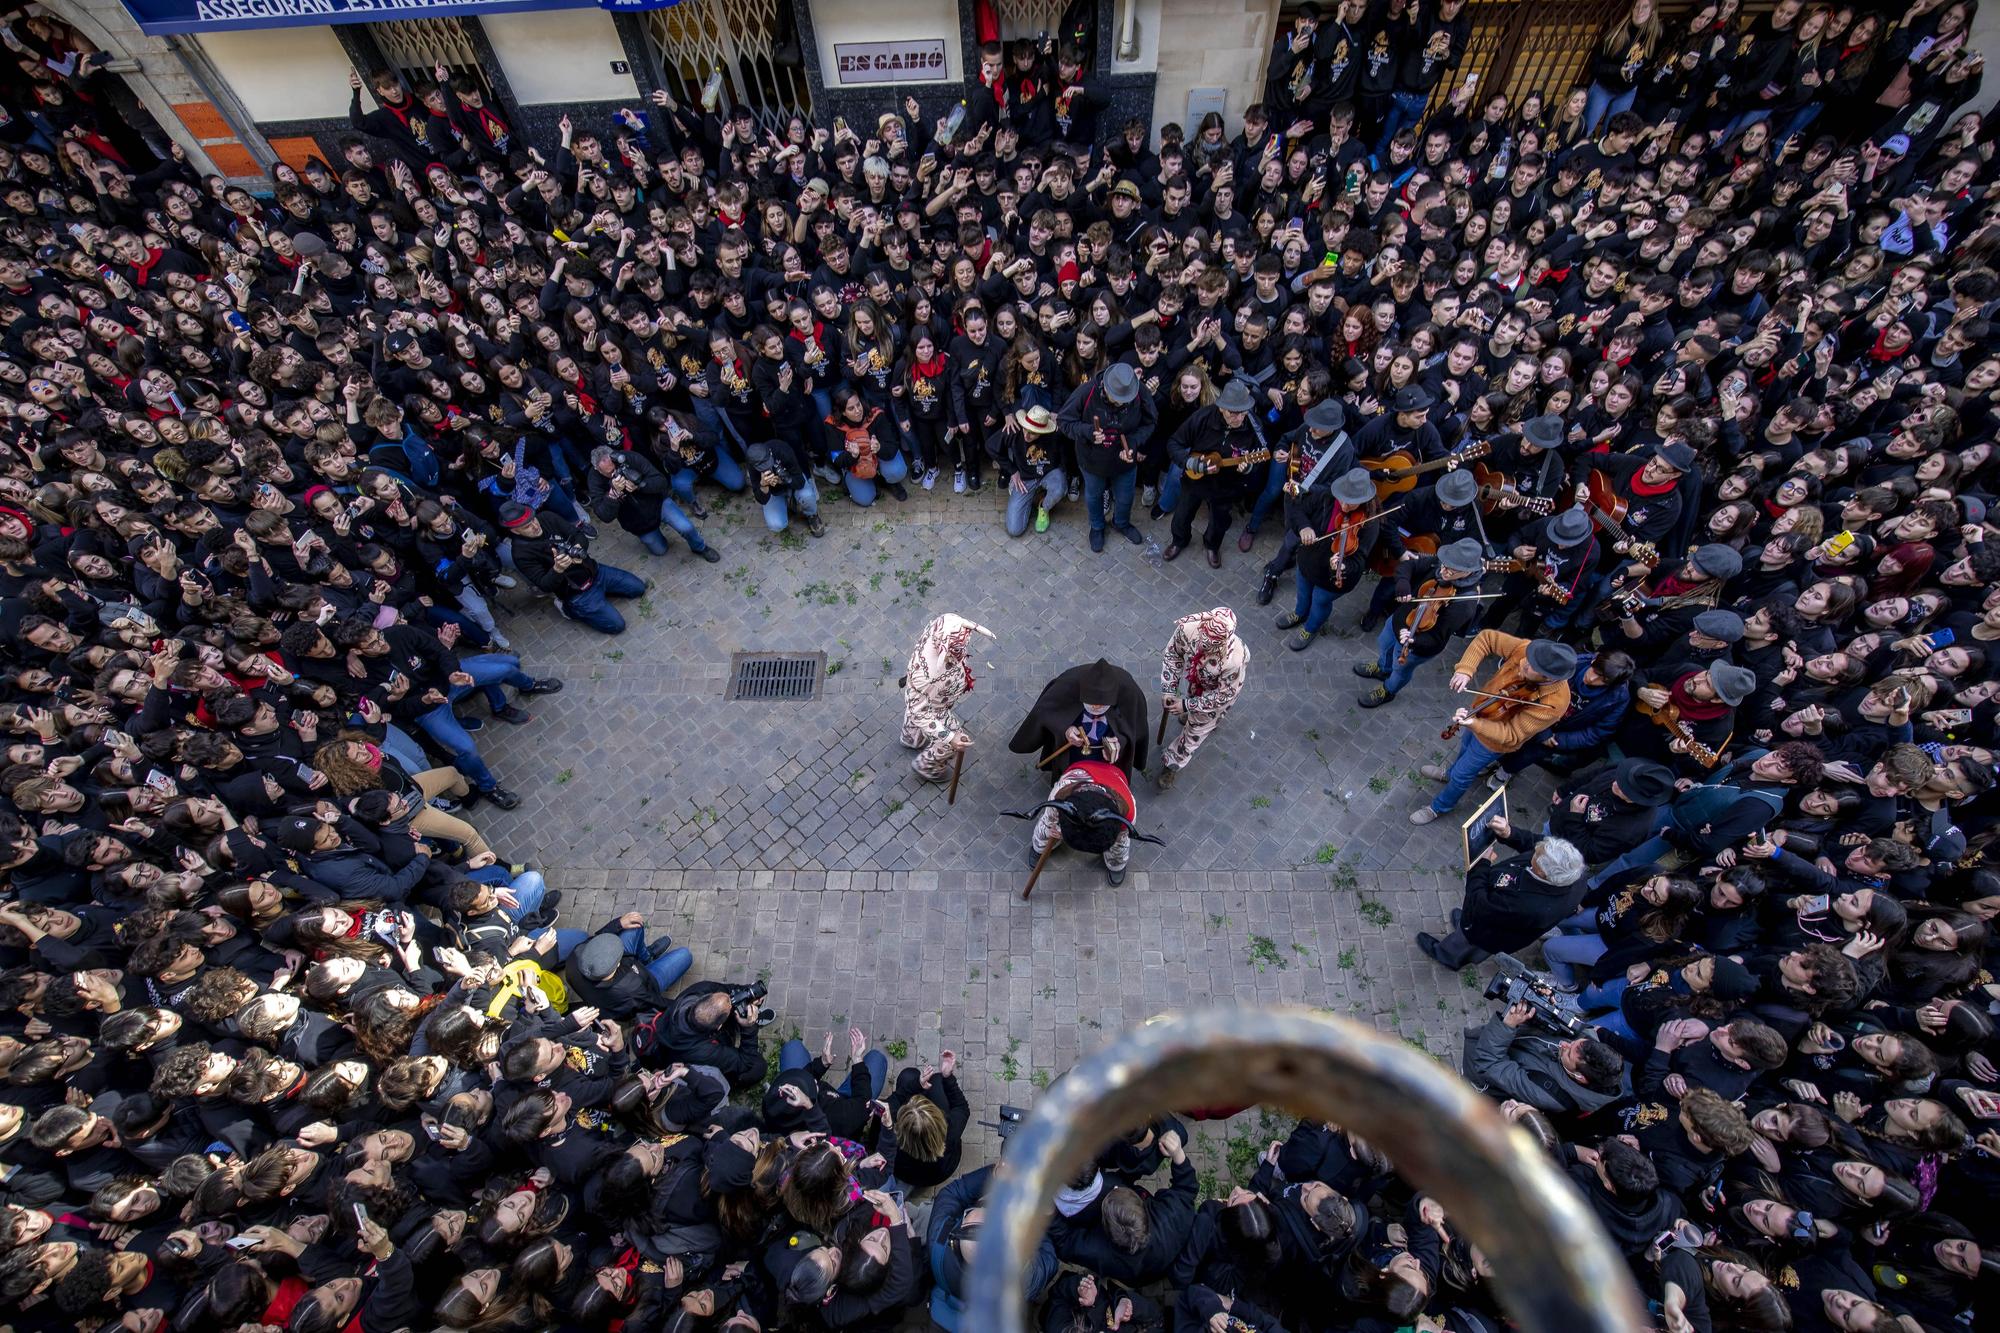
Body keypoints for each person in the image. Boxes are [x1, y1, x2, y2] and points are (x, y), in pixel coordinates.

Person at [1411, 634, 1576, 823]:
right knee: (1464, 748)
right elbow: (1486, 638)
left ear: (1547, 677)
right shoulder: (1529, 652)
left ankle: (1439, 807)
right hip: (1480, 711)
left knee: (1462, 775)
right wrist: (1465, 669)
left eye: (1530, 667)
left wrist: (1475, 724)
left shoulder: (1554, 703)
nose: (1523, 662)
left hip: (1493, 742)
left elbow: (1512, 734)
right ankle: (1447, 774)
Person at [1416, 835, 1588, 969]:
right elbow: (1535, 843)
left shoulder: (1526, 905)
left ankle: (1448, 956)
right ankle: (1464, 926)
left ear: (1543, 873)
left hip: (1488, 930)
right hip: (1501, 922)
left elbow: (1479, 903)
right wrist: (1509, 833)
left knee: (1469, 941)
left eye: (1535, 855)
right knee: (1472, 934)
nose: (1533, 851)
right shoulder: (1574, 876)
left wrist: (1482, 864)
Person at [1355, 537, 1489, 707]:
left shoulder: (1465, 604)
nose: (1445, 571)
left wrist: (1414, 641)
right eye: (1445, 565)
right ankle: (1382, 668)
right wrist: (1402, 583)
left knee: (1401, 669)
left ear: (1468, 571)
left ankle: (1388, 690)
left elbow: (1438, 638)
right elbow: (1408, 565)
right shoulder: (1442, 564)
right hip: (1399, 620)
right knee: (1384, 644)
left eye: (1453, 570)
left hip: (1417, 644)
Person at [1156, 607, 1251, 789]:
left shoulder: (1234, 660)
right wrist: (1169, 688)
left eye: (1211, 643)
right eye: (1204, 636)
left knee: (1196, 730)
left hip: (1216, 694)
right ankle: (1192, 713)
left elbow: (1223, 695)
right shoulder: (1187, 628)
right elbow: (1173, 654)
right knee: (1192, 703)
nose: (1204, 643)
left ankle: (1174, 762)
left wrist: (1187, 705)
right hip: (1197, 680)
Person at [1009, 658, 1151, 775]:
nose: (1096, 707)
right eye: (1091, 703)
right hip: (1073, 752)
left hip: (1104, 755)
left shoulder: (1129, 694)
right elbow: (1049, 714)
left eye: (1101, 704)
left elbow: (1134, 728)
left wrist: (1118, 742)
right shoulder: (1067, 687)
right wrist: (1066, 729)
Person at [901, 613, 995, 781]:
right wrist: (951, 738)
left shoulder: (945, 625)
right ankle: (927, 766)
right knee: (952, 741)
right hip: (933, 707)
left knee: (913, 712)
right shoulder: (930, 677)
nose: (964, 649)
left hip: (923, 695)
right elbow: (919, 712)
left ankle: (911, 737)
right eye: (958, 648)